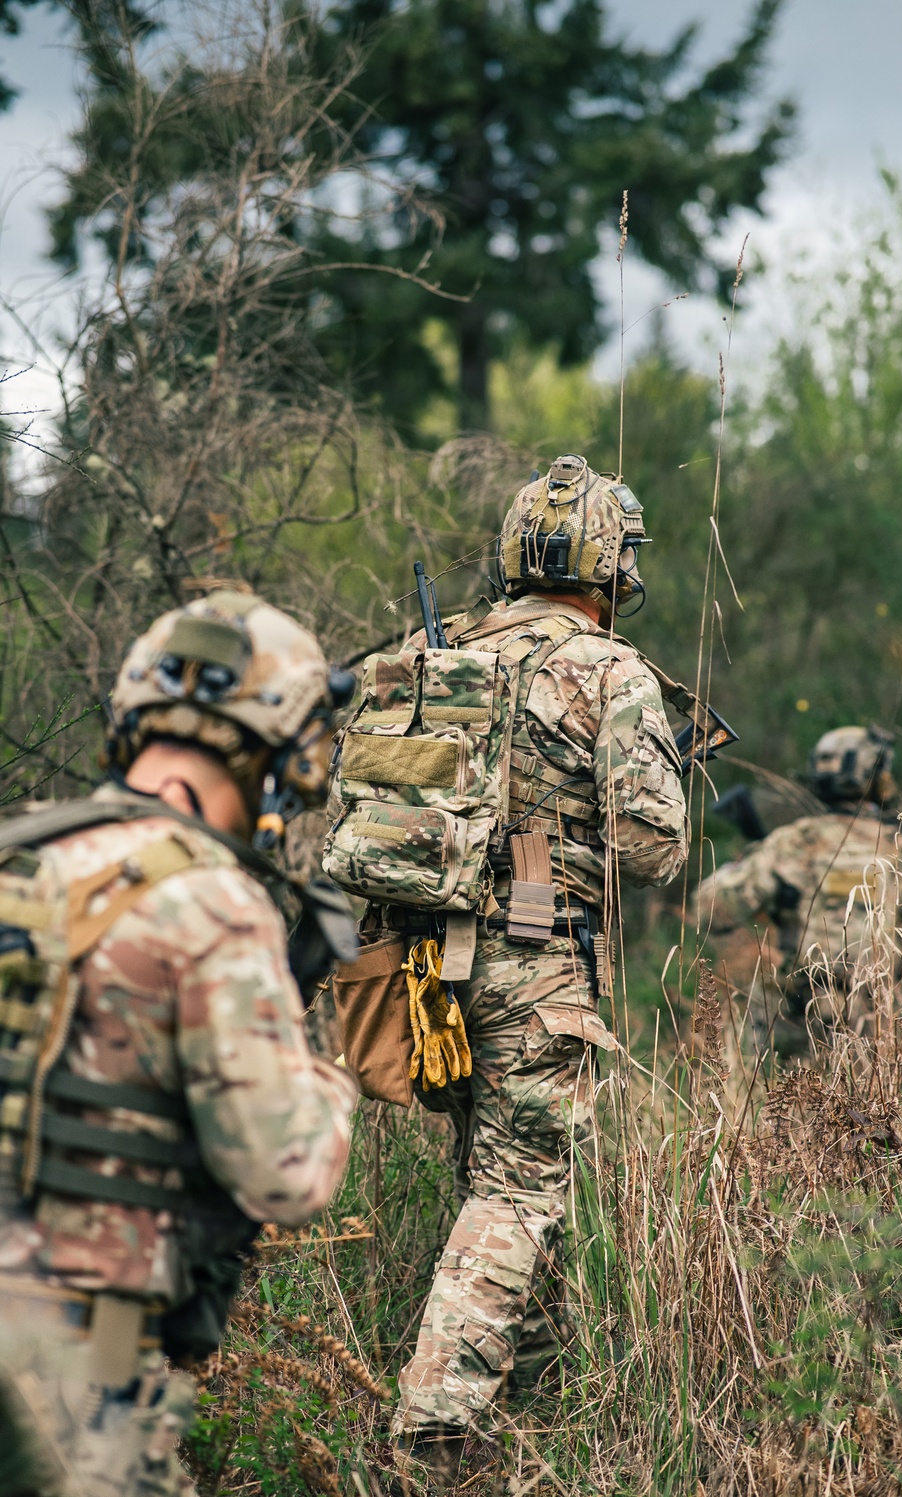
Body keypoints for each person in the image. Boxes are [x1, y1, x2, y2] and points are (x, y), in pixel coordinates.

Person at [324, 453, 690, 1488]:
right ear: (611, 565)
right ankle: (432, 1434)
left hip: (414, 964)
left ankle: (531, 1409)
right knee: (517, 1196)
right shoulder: (610, 670)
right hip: (531, 959)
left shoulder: (428, 655)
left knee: (496, 1182)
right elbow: (652, 847)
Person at [0, 589, 359, 1497]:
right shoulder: (212, 902)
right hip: (73, 1367)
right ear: (271, 757)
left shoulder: (19, 853)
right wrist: (328, 1078)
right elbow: (288, 1173)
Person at [695, 725, 902, 1055]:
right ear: (874, 774)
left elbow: (713, 908)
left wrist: (743, 868)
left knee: (755, 1013)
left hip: (801, 1011)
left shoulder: (793, 843)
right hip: (886, 1017)